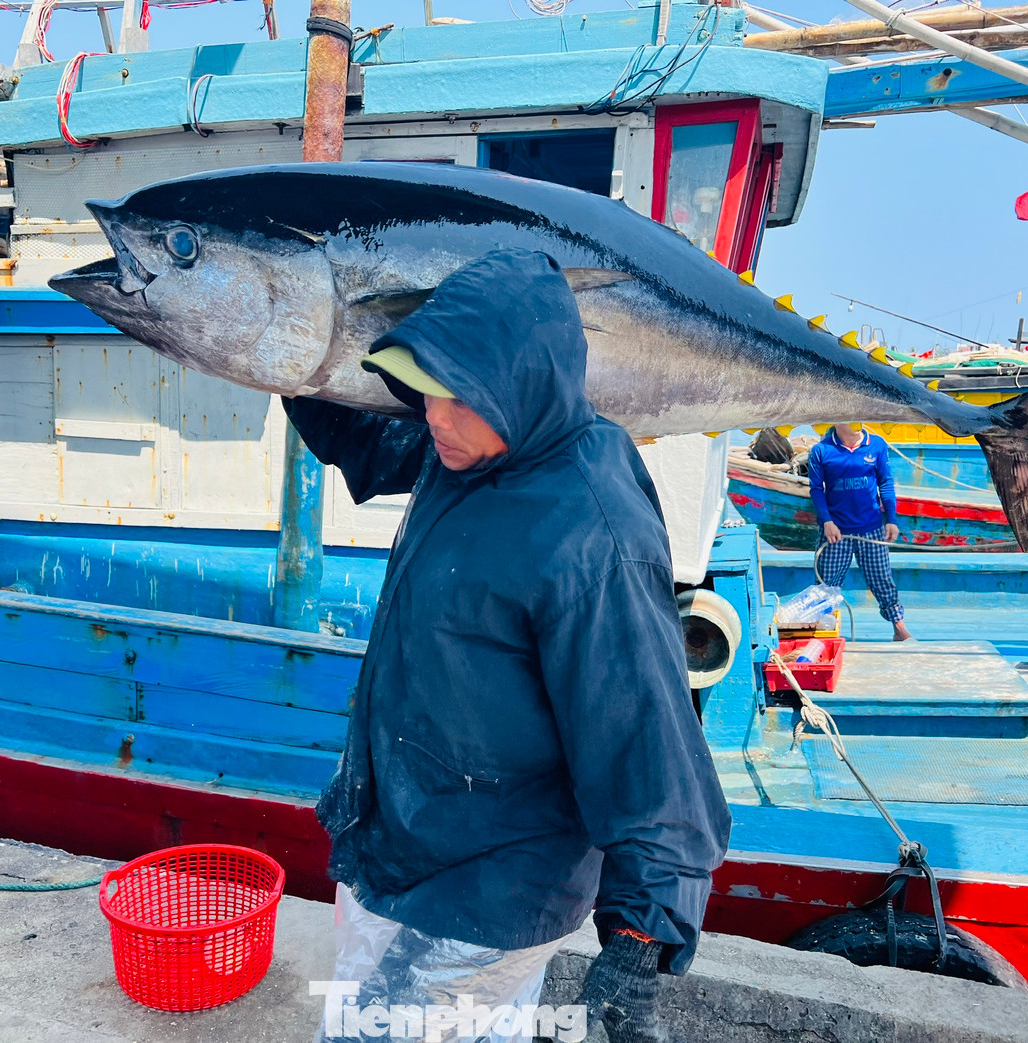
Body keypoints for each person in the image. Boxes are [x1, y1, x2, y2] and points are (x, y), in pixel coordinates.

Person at [286, 249, 731, 1042]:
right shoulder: (472, 446)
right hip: (411, 835)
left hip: (488, 882)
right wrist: (281, 354)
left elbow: (649, 742)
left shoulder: (591, 537)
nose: (434, 416)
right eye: (426, 388)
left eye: (458, 397)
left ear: (522, 387)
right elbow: (367, 442)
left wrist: (638, 942)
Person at [806, 422, 912, 641]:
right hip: (836, 532)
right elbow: (816, 489)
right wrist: (826, 521)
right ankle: (826, 630)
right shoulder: (821, 450)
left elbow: (885, 482)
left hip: (871, 528)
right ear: (838, 420)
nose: (858, 422)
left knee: (882, 579)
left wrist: (891, 520)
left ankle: (899, 628)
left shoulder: (877, 445)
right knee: (826, 584)